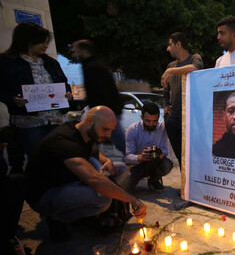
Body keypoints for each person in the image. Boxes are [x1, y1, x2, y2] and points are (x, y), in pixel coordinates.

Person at [25, 106, 146, 242]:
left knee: (120, 168)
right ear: (89, 120)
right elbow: (94, 180)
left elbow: (93, 151)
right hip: (44, 195)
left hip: (68, 180)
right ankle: (57, 218)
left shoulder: (81, 130)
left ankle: (84, 215)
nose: (108, 136)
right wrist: (132, 200)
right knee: (102, 200)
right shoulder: (64, 142)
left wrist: (107, 160)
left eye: (111, 130)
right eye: (105, 129)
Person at [0, 22, 73, 159]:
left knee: (60, 154)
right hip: (29, 121)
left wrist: (68, 94)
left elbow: (64, 83)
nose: (45, 46)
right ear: (26, 41)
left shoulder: (51, 63)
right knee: (38, 156)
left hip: (56, 118)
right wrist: (13, 99)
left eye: (47, 42)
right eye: (41, 42)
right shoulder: (6, 61)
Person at [71, 39, 126, 154]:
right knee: (102, 135)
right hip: (107, 108)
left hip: (106, 109)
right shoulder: (95, 64)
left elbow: (100, 91)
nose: (74, 53)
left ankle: (131, 157)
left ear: (84, 50)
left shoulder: (93, 67)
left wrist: (99, 110)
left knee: (111, 134)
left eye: (76, 50)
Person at [160, 33, 204, 169]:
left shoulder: (194, 58)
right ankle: (184, 189)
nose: (168, 48)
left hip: (192, 120)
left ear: (178, 44)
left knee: (195, 157)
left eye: (170, 44)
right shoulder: (171, 66)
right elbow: (166, 91)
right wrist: (166, 108)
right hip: (173, 119)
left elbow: (196, 68)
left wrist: (171, 71)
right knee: (180, 157)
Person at [124, 103, 173, 193]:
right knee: (126, 190)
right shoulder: (132, 130)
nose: (151, 124)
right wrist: (140, 157)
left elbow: (165, 149)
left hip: (155, 162)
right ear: (142, 117)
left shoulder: (162, 128)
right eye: (148, 121)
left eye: (155, 121)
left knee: (167, 164)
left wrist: (160, 154)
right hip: (137, 164)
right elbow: (127, 157)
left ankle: (154, 179)